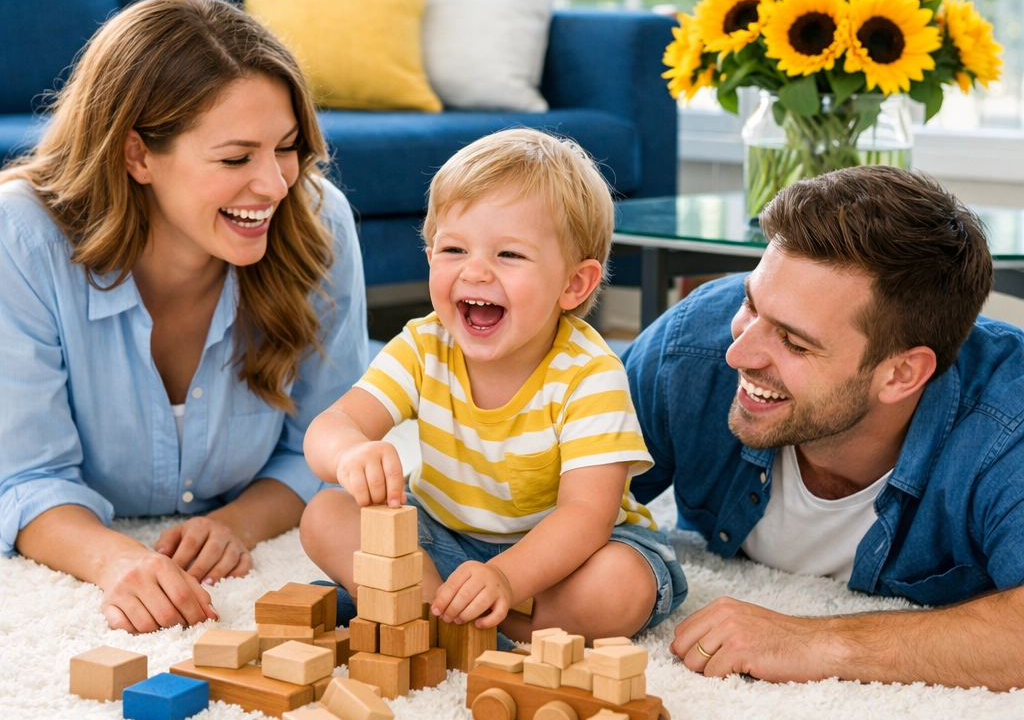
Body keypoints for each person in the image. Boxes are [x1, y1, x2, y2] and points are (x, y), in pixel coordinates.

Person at [0, 0, 367, 634]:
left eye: (285, 147)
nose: (276, 185)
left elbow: (329, 445)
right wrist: (116, 560)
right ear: (137, 154)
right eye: (235, 158)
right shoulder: (21, 239)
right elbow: (24, 477)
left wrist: (236, 525)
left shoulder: (317, 222)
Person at [625, 165, 1024, 691]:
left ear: (902, 373)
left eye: (794, 341)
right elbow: (542, 494)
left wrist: (817, 642)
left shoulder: (1004, 422)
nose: (737, 351)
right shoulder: (688, 349)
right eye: (751, 303)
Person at [301, 128, 686, 643]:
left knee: (622, 585)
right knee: (326, 512)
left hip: (565, 558)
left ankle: (475, 621)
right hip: (443, 539)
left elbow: (585, 517)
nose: (475, 271)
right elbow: (334, 424)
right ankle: (434, 610)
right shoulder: (423, 346)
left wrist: (506, 577)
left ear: (574, 285)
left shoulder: (590, 373)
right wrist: (349, 454)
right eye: (454, 248)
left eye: (509, 255)